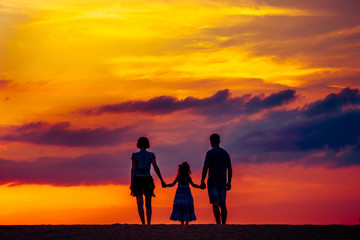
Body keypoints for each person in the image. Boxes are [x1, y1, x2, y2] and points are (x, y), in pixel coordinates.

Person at [130, 137, 166, 225]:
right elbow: (155, 167)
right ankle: (148, 223)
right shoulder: (151, 155)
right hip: (147, 178)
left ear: (138, 144)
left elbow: (133, 169)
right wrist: (161, 179)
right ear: (147, 144)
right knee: (148, 203)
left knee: (139, 203)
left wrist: (131, 183)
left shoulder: (135, 155)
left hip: (138, 179)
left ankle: (143, 223)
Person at [200, 133, 232, 224]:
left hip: (213, 181)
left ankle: (218, 223)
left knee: (215, 203)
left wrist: (202, 180)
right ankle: (224, 224)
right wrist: (229, 182)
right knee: (223, 204)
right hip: (222, 181)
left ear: (211, 142)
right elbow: (229, 169)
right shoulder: (225, 153)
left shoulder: (210, 153)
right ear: (219, 141)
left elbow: (205, 167)